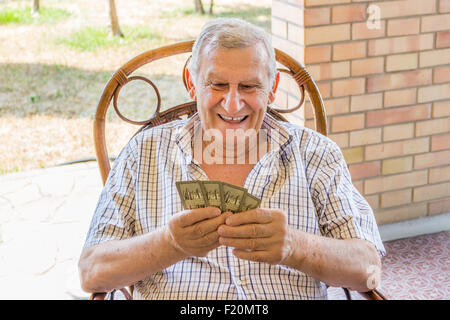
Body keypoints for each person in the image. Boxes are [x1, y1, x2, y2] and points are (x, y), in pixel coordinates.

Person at [78, 18, 385, 300]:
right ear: (191, 82)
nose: (234, 103)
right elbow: (91, 272)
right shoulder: (143, 153)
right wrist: (169, 244)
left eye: (249, 86)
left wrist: (296, 247)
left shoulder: (316, 153)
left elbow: (368, 268)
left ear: (273, 88)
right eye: (218, 84)